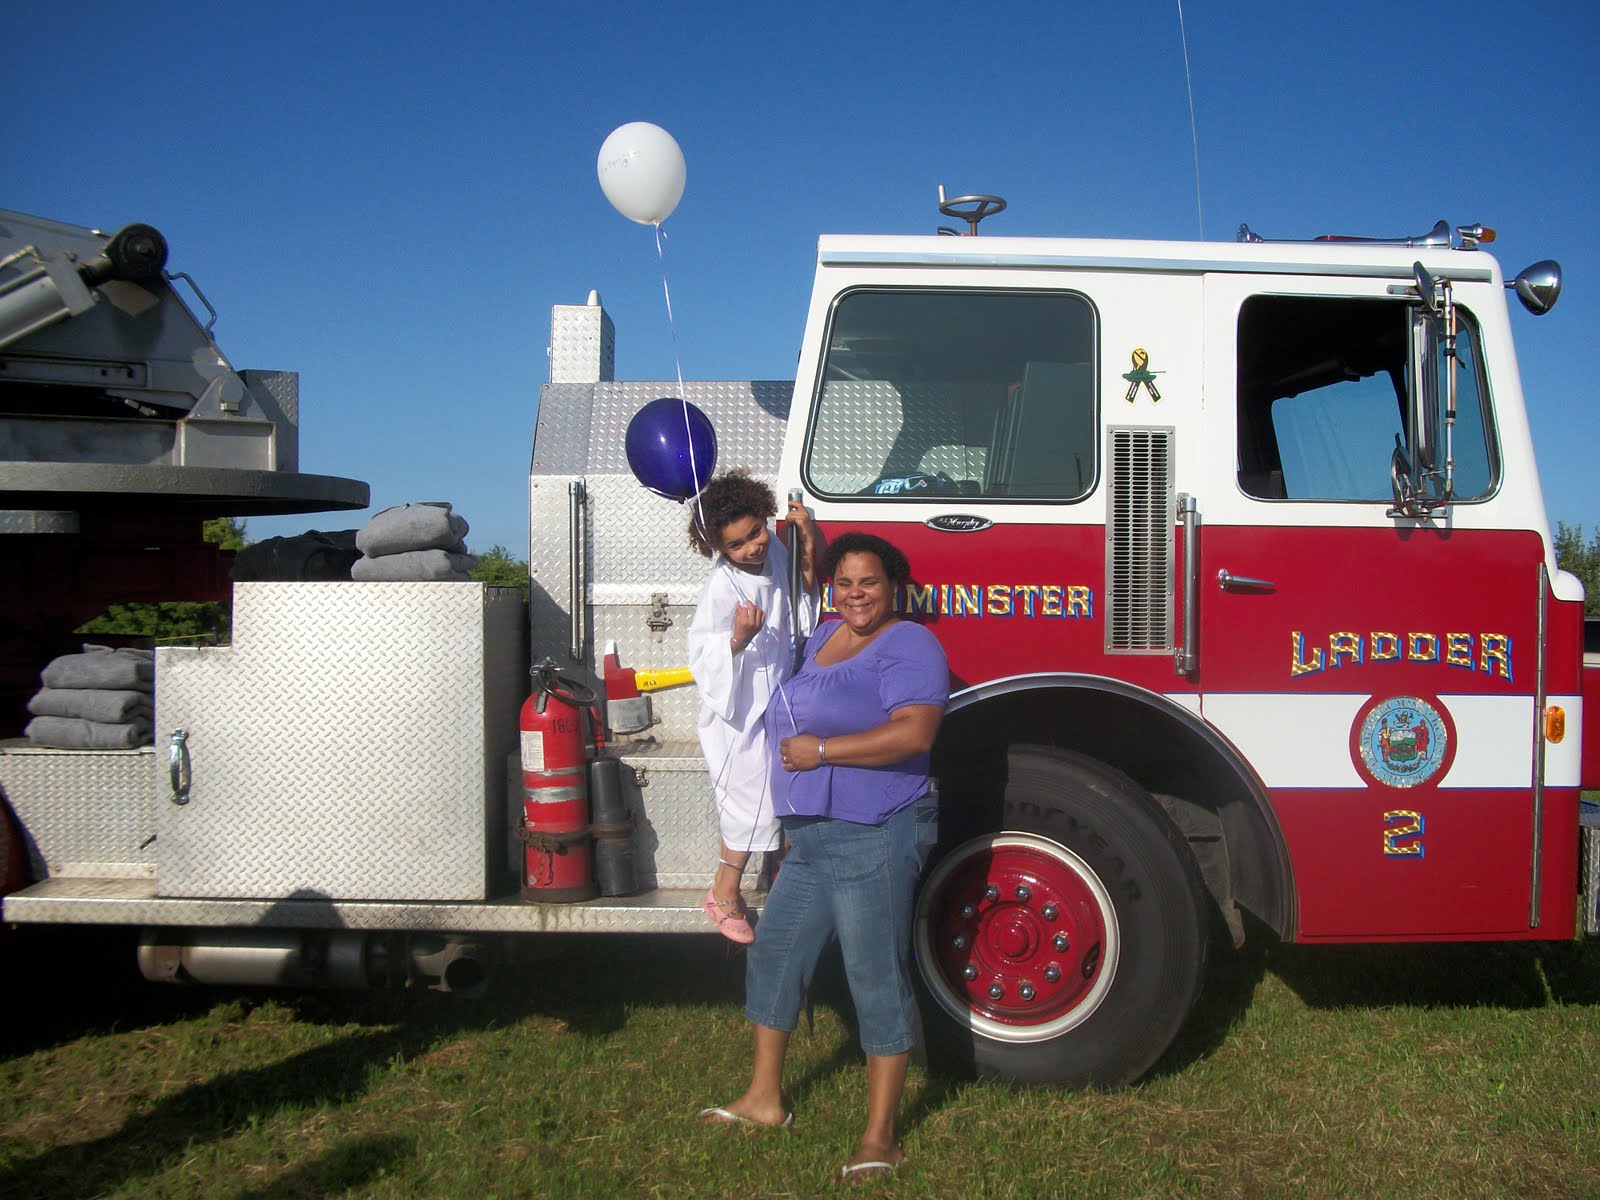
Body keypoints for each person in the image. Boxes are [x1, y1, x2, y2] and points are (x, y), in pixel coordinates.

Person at [700, 532, 948, 1183]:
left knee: (874, 977)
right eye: (843, 583)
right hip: (809, 840)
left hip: (875, 831)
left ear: (892, 584)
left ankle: (881, 1137)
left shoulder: (909, 643)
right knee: (776, 956)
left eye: (868, 581)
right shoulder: (819, 640)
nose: (855, 594)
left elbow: (915, 732)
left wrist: (824, 752)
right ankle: (763, 1100)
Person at [685, 470, 822, 943]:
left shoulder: (776, 553)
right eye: (738, 544)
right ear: (720, 550)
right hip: (738, 712)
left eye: (757, 532)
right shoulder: (721, 587)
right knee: (750, 804)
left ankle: (779, 881)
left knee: (782, 794)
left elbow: (801, 600)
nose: (753, 547)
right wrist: (737, 641)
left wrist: (807, 541)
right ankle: (723, 891)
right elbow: (703, 656)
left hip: (776, 702)